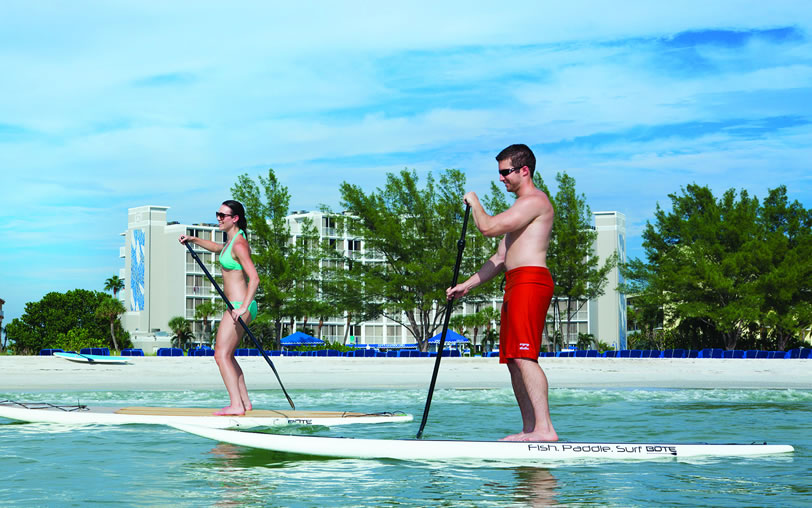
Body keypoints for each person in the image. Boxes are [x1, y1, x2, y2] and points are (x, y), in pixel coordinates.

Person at [446, 144, 558, 442]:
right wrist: (466, 286)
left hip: (531, 281)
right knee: (512, 358)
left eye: (505, 172)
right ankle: (530, 429)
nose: (501, 179)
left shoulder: (535, 201)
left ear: (525, 170)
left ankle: (545, 429)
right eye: (499, 173)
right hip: (515, 281)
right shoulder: (521, 208)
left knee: (525, 356)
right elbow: (499, 257)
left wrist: (475, 202)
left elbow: (488, 227)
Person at [179, 200, 259, 416]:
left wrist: (242, 308)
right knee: (229, 355)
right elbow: (218, 249)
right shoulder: (231, 241)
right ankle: (245, 402)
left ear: (235, 218)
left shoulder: (239, 244)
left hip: (238, 306)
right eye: (218, 214)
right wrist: (193, 239)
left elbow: (255, 278)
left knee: (220, 355)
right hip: (238, 306)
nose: (219, 218)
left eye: (223, 215)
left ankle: (236, 406)